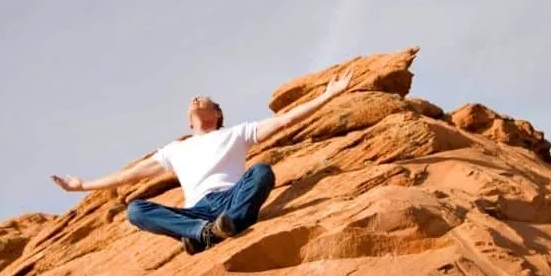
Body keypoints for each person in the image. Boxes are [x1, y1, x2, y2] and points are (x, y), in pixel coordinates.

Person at [51, 70, 353, 254]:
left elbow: (285, 120)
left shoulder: (236, 133)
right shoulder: (175, 150)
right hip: (197, 210)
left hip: (231, 198)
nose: (196, 98)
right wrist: (82, 186)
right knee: (136, 209)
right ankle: (203, 232)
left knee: (261, 171)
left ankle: (222, 226)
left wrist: (327, 96)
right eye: (193, 100)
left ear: (217, 114)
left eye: (204, 99)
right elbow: (131, 175)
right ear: (188, 119)